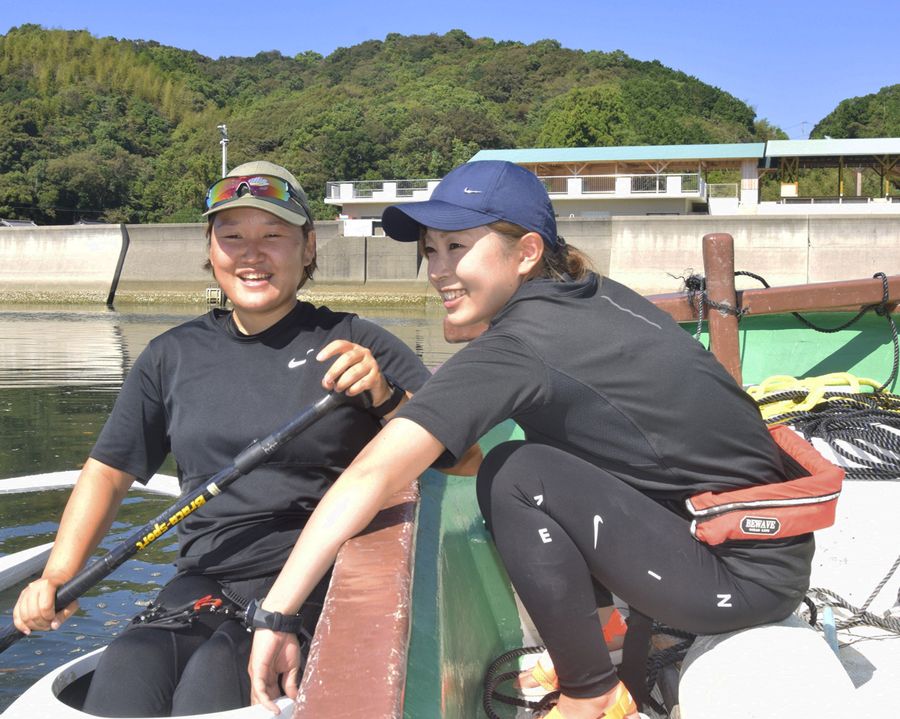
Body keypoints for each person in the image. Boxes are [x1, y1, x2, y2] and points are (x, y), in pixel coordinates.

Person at [248, 160, 822, 719]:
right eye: (430, 249)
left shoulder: (520, 347)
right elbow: (462, 455)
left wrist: (276, 615)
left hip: (738, 580)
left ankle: (592, 694)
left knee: (517, 473)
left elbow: (374, 472)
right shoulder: (588, 294)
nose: (438, 270)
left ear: (525, 253)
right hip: (763, 552)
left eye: (458, 248)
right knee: (529, 459)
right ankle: (607, 633)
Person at [12, 160, 470, 717]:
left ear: (307, 249)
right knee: (130, 662)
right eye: (232, 237)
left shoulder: (356, 341)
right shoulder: (169, 356)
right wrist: (60, 574)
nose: (251, 254)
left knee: (218, 675)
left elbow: (463, 456)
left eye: (272, 236)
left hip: (313, 576)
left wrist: (384, 396)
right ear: (211, 250)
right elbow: (109, 472)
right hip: (203, 575)